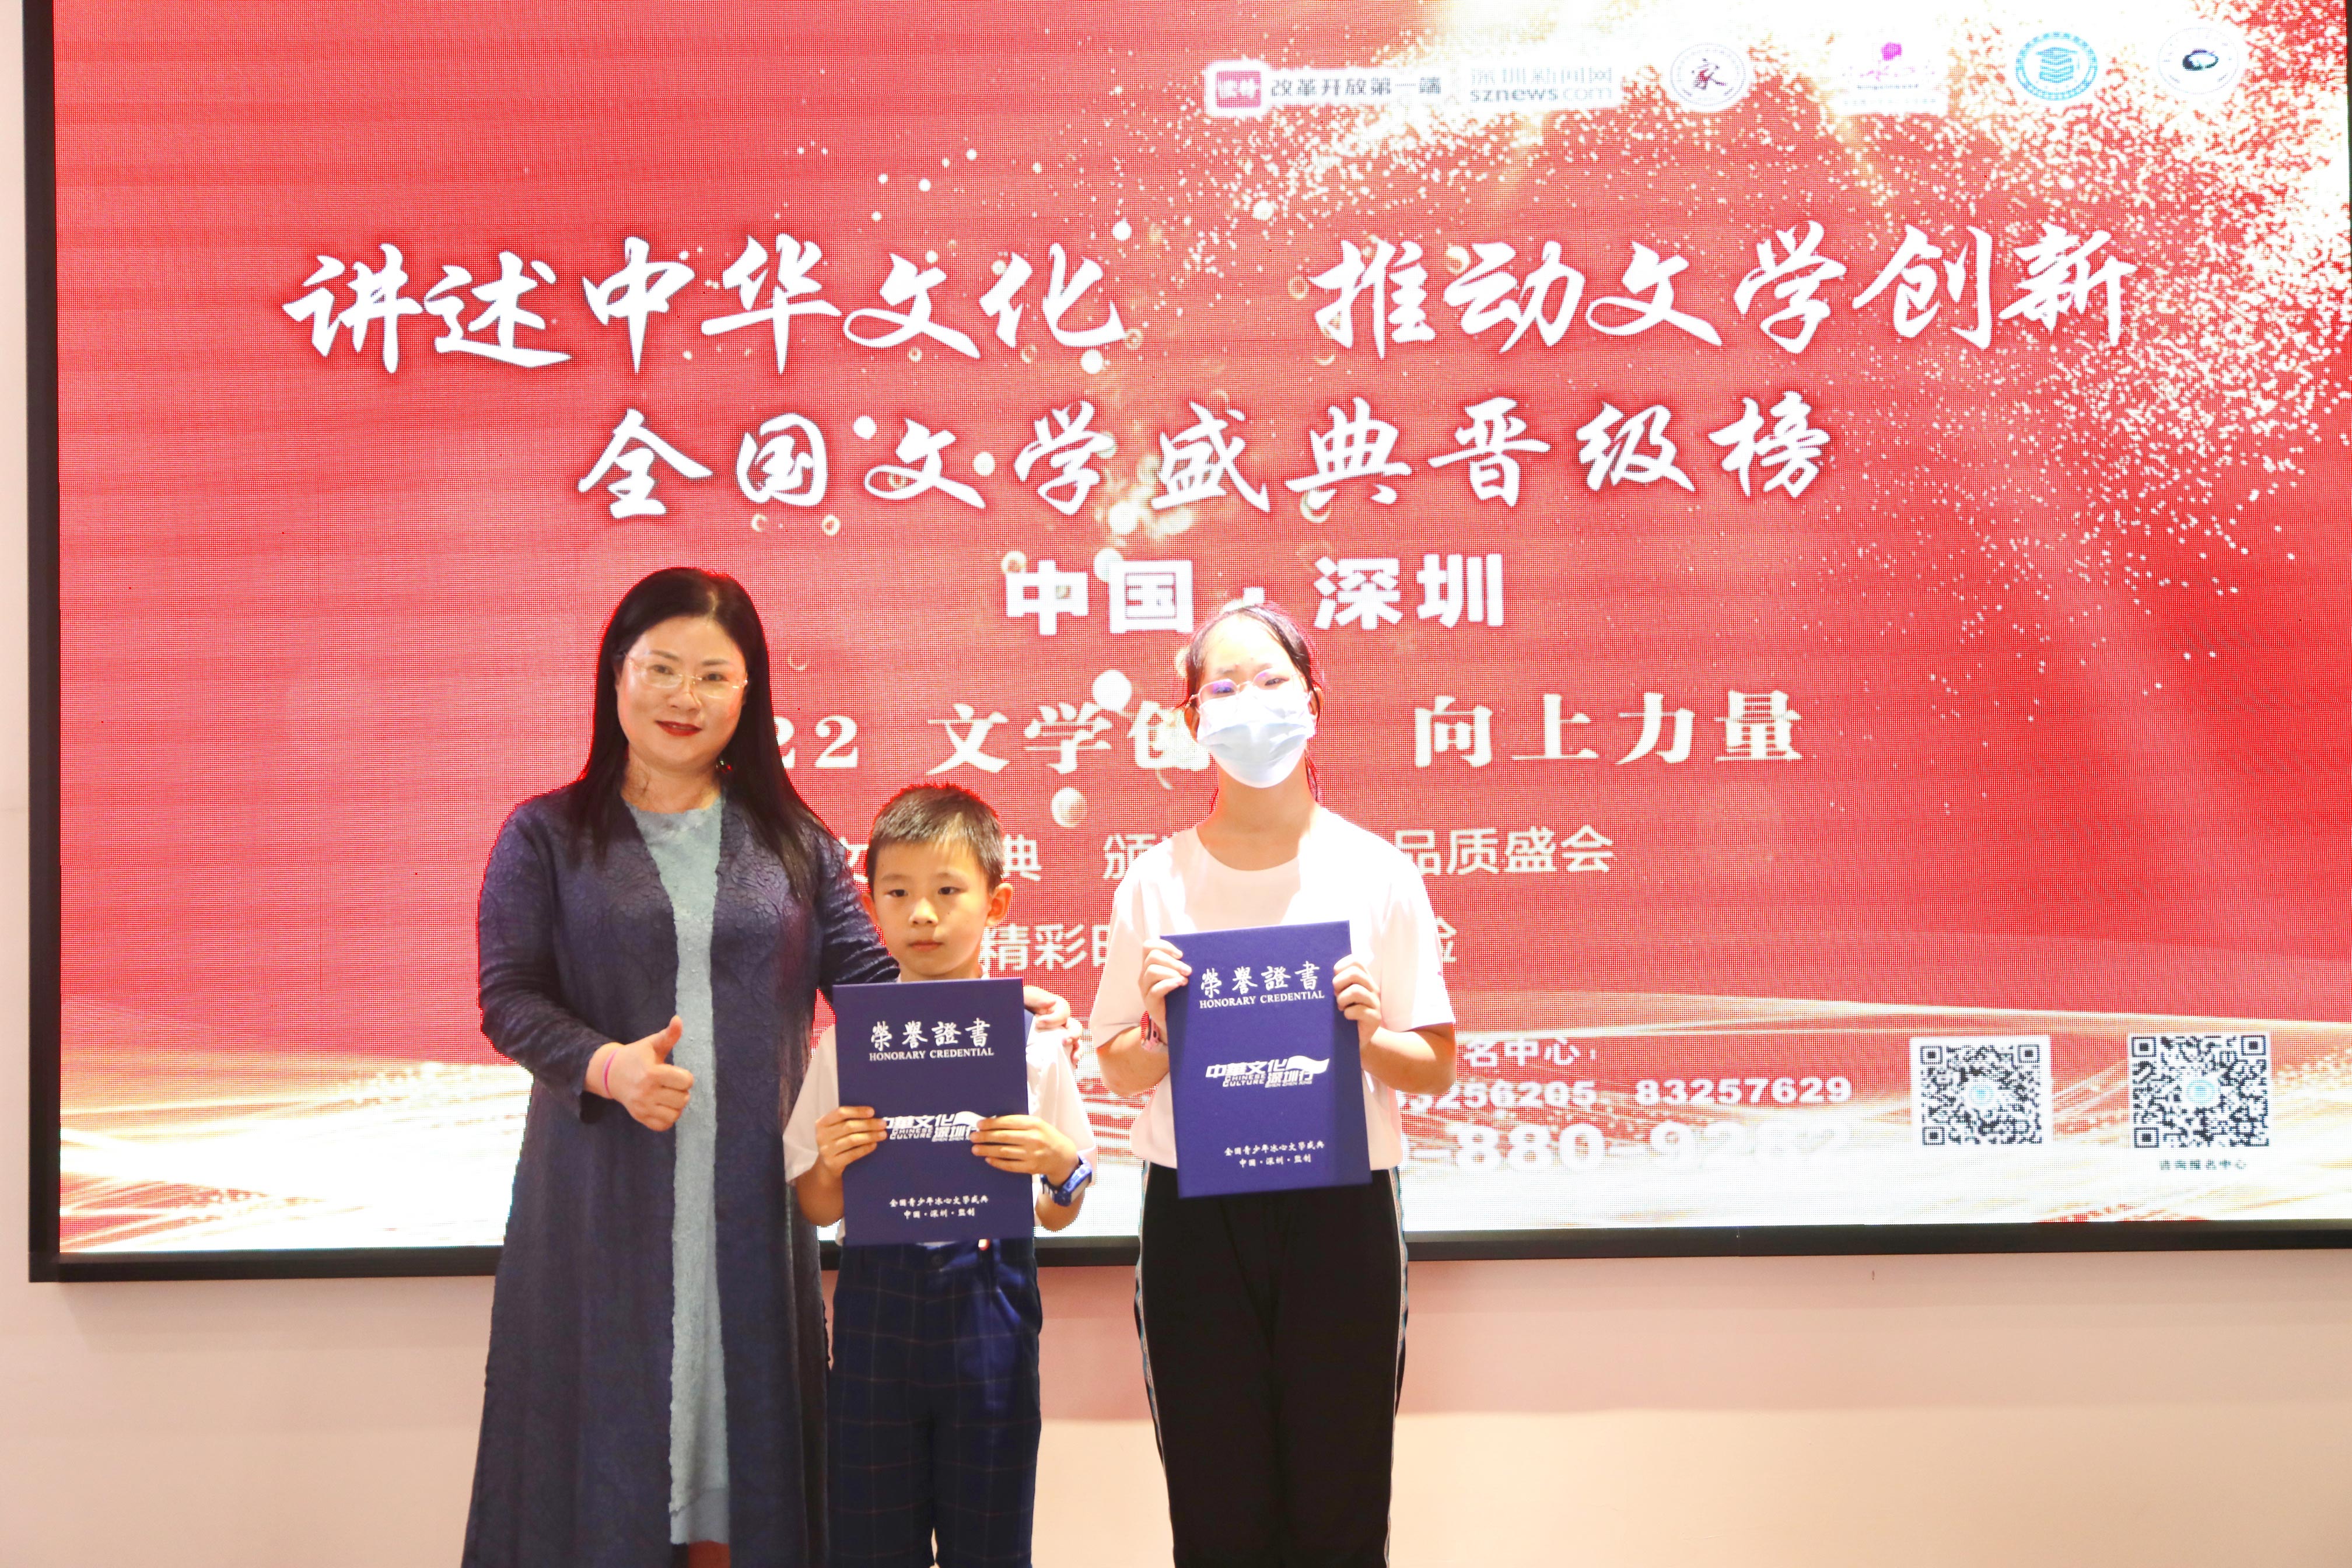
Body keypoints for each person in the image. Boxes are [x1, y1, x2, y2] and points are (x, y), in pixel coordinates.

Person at [462, 568, 1063, 1568]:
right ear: (616, 676)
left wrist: (985, 1012)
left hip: (752, 1201)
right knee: (610, 1456)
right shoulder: (548, 835)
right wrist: (607, 1067)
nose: (684, 698)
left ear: (749, 694)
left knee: (744, 1469)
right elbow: (510, 996)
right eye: (661, 669)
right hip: (602, 1204)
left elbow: (875, 978)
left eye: (713, 676)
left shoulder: (793, 840)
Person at [1089, 600, 1458, 1568]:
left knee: (1342, 1506)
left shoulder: (1377, 870)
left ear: (1314, 702)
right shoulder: (1154, 881)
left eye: (1270, 680)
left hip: (1342, 1207)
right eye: (1222, 686)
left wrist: (1370, 1035)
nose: (1248, 702)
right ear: (1191, 718)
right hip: (1195, 1214)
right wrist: (1157, 1032)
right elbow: (1117, 1063)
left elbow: (1436, 1064)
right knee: (1218, 1511)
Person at [786, 783, 1097, 1568]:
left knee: (989, 1543)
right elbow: (816, 1205)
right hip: (876, 1317)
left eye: (948, 891)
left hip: (992, 1310)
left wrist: (1059, 1166)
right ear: (871, 907)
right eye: (897, 893)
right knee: (868, 1542)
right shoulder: (846, 1044)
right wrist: (831, 1162)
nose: (922, 914)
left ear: (997, 904)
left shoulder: (1033, 1043)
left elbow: (1061, 1207)